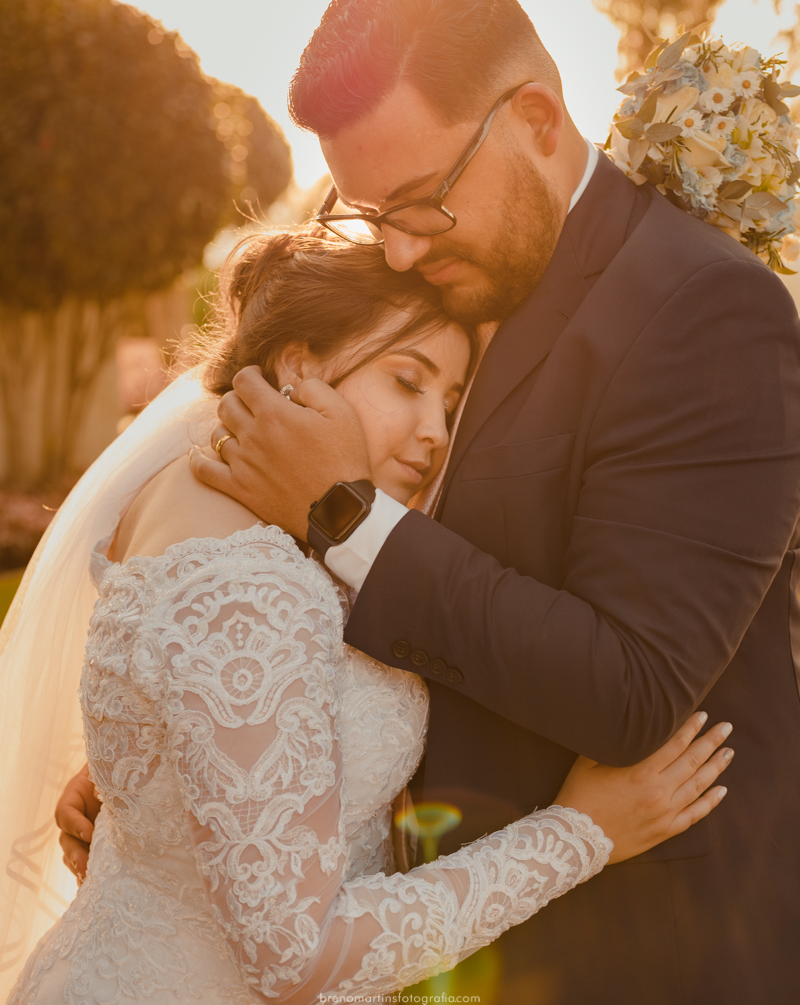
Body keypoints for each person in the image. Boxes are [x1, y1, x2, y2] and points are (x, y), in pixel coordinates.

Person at [183, 0, 800, 1004]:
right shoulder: (436, 284)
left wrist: (345, 512)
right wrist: (190, 771)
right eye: (370, 209)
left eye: (422, 202)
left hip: (646, 957)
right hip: (444, 949)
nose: (400, 247)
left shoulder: (705, 309)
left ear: (536, 118)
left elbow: (631, 689)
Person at [8, 230, 732, 1005]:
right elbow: (295, 959)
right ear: (300, 367)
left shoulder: (206, 503)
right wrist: (581, 833)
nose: (434, 432)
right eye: (407, 381)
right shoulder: (249, 583)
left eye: (452, 404)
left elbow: (201, 736)